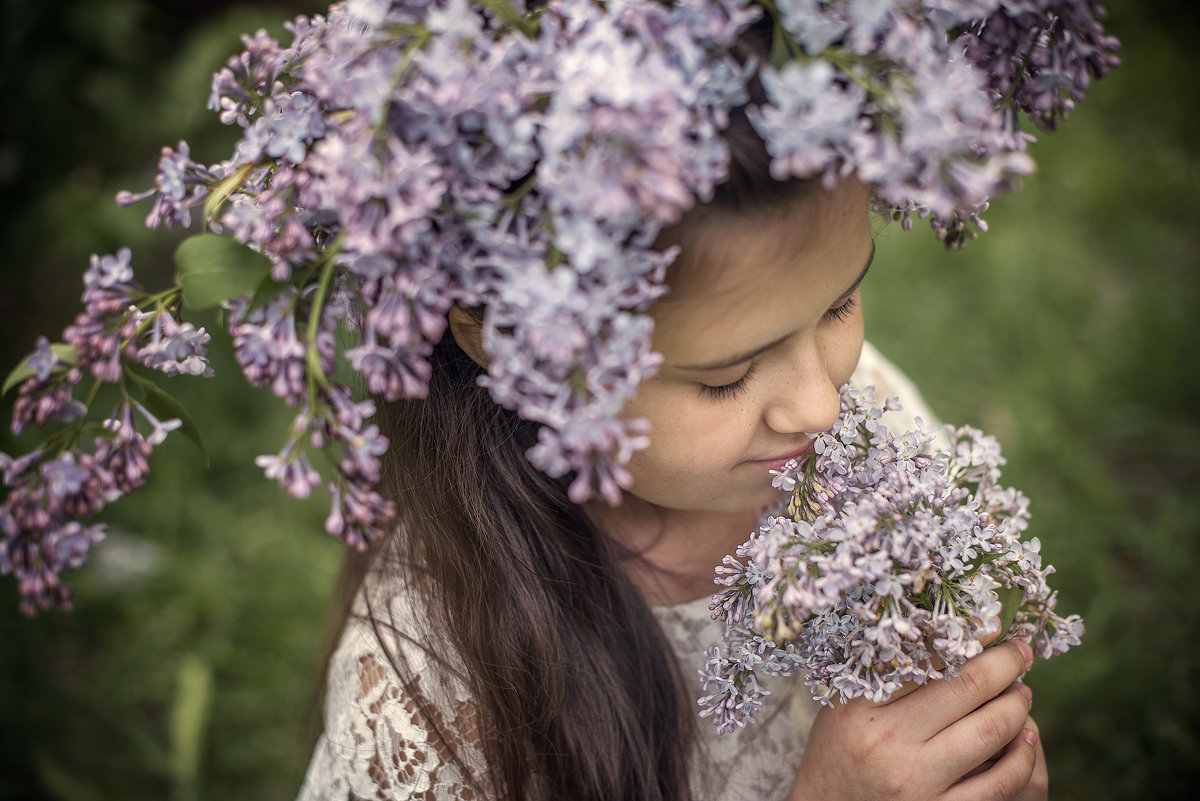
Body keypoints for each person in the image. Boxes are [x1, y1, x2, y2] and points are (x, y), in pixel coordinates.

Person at [296, 20, 1048, 799]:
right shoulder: (433, 693)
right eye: (726, 377)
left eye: (840, 305)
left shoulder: (868, 422)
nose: (824, 406)